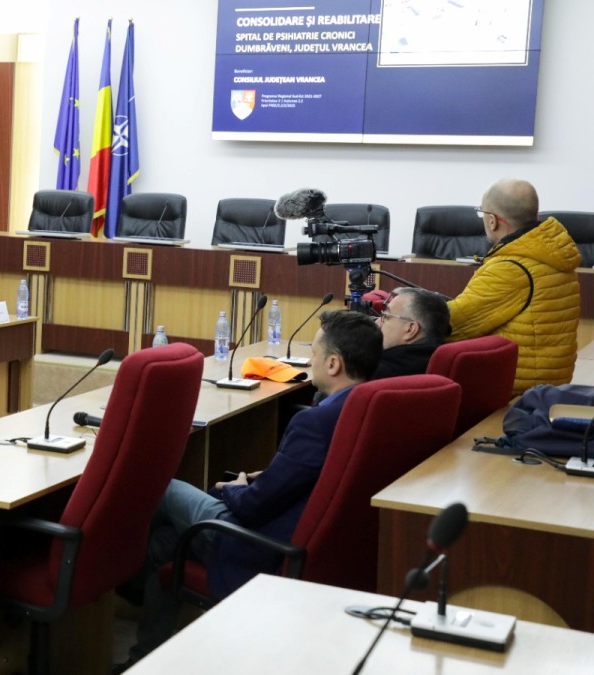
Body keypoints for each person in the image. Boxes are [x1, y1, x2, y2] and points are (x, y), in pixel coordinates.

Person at [117, 311, 382, 669]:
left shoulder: (315, 422)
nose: (310, 361)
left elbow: (254, 507)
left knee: (162, 487)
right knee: (166, 543)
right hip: (314, 541)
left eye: (315, 353)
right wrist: (269, 477)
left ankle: (117, 577)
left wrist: (234, 488)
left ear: (333, 363)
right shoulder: (369, 408)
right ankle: (143, 658)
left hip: (258, 544)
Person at [448, 179, 580, 394]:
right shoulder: (553, 256)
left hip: (514, 391)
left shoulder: (510, 268)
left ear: (493, 221)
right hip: (549, 386)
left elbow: (454, 325)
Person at [372, 287, 450, 379]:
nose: (378, 322)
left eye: (386, 316)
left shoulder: (370, 374)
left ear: (410, 329)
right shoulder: (445, 365)